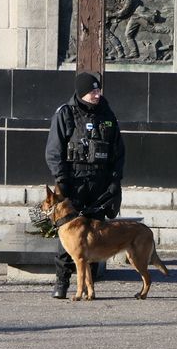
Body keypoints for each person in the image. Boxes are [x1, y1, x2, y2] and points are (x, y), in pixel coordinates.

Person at [45, 71, 125, 299]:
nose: (97, 94)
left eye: (98, 90)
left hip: (99, 184)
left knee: (96, 236)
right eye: (92, 91)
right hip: (73, 183)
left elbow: (118, 151)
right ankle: (62, 282)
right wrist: (62, 181)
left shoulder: (107, 114)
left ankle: (90, 287)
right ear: (81, 93)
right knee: (68, 237)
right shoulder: (65, 114)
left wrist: (115, 180)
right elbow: (53, 151)